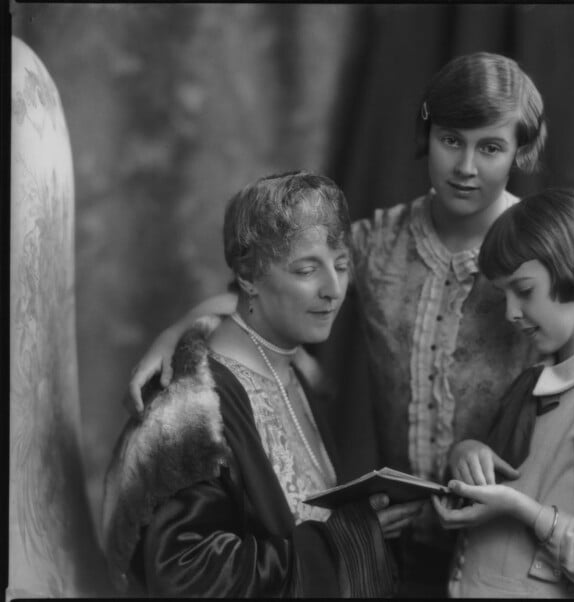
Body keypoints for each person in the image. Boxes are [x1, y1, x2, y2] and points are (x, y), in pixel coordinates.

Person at [126, 52, 547, 596]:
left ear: (519, 152)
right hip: (405, 541)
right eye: (450, 140)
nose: (465, 166)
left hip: (505, 533)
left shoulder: (540, 249)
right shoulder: (380, 243)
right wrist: (179, 328)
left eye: (490, 147)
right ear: (428, 135)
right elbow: (266, 281)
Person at [101, 171, 425, 597]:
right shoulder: (189, 407)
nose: (333, 289)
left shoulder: (292, 365)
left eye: (342, 265)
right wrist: (344, 543)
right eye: (307, 269)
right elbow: (184, 575)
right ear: (250, 276)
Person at [431, 188, 574, 598]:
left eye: (523, 290)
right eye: (504, 294)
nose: (510, 312)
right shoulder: (535, 379)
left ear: (573, 266)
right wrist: (466, 454)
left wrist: (523, 510)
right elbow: (516, 475)